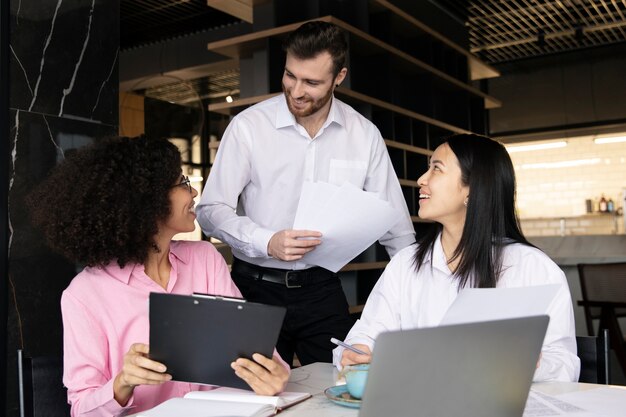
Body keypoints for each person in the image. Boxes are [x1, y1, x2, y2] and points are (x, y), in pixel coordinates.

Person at [196, 21, 416, 366]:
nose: (296, 91)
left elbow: (395, 227)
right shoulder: (249, 127)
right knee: (254, 397)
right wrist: (266, 240)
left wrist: (421, 289)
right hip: (254, 288)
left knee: (344, 383)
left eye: (311, 82)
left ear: (339, 77)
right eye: (290, 76)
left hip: (322, 289)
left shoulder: (364, 135)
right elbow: (210, 209)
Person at [27, 136, 289, 417]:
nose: (193, 194)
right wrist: (123, 381)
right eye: (183, 183)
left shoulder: (205, 259)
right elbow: (82, 409)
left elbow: (256, 352)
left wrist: (272, 373)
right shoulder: (84, 295)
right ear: (148, 200)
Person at [333, 134, 580, 382]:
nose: (421, 180)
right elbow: (365, 335)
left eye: (436, 169)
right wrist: (357, 352)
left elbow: (564, 363)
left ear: (472, 189)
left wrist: (533, 362)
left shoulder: (533, 268)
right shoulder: (406, 264)